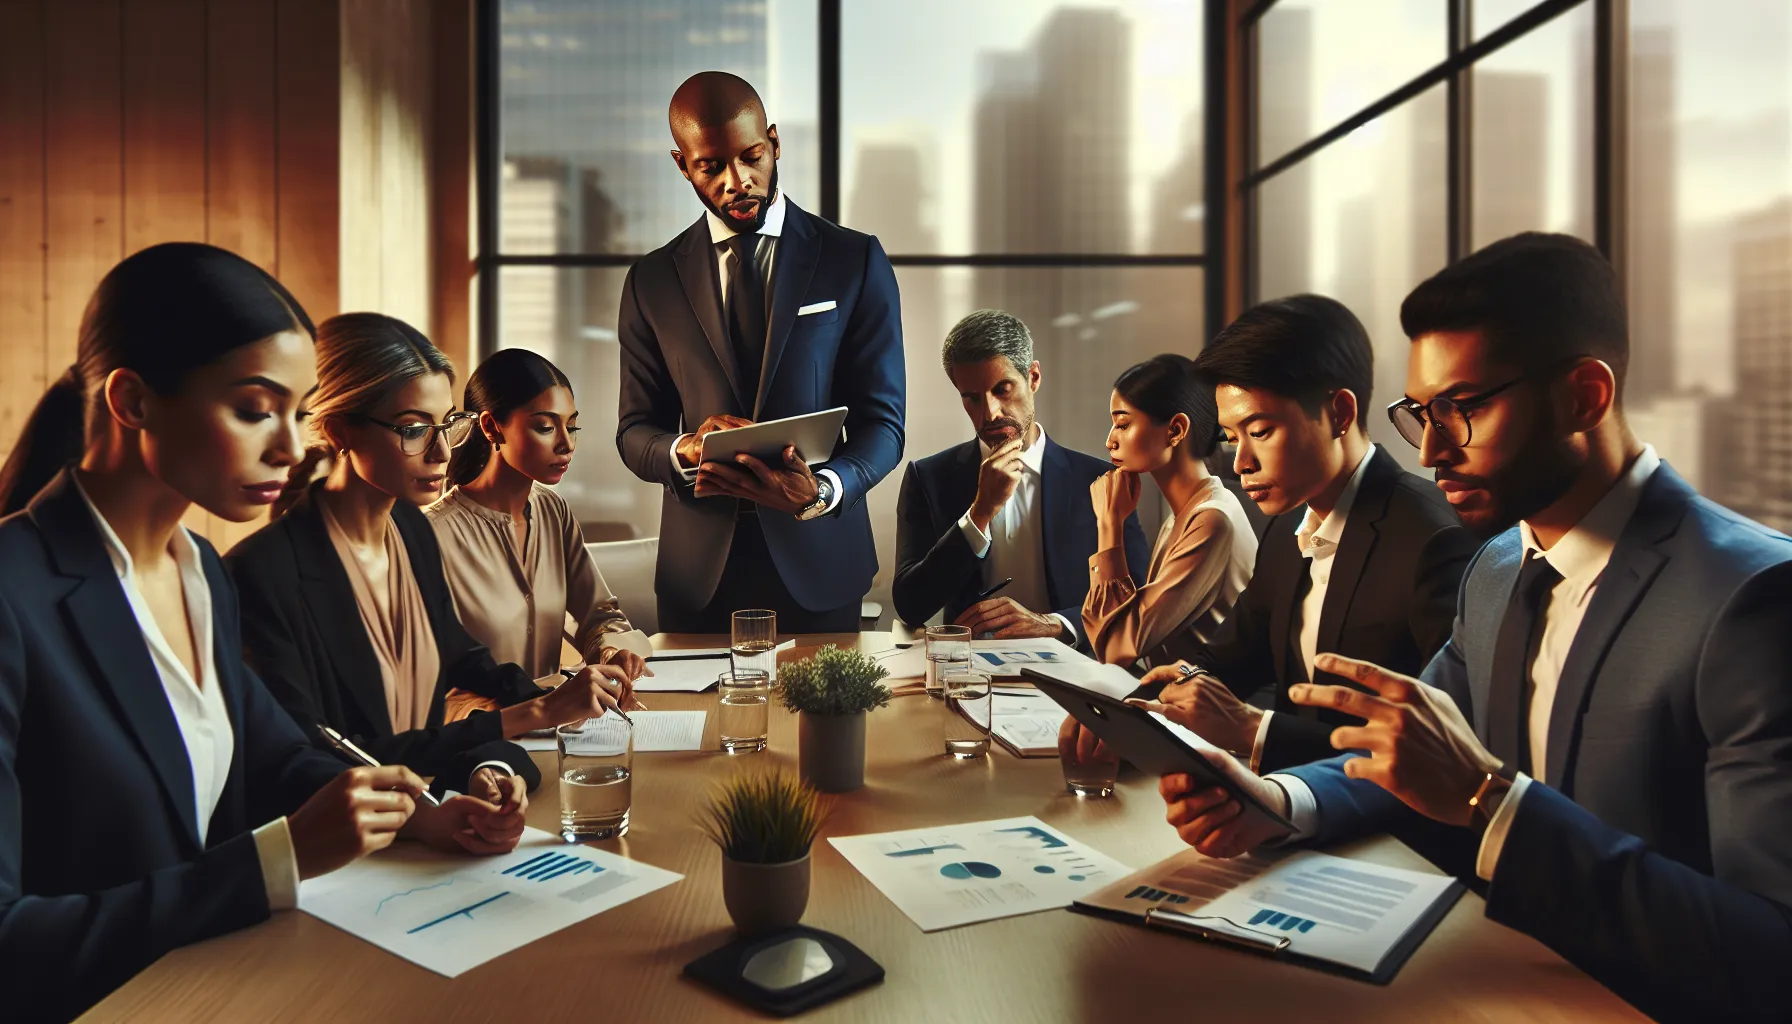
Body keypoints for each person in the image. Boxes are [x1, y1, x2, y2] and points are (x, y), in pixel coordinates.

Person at [1147, 234, 1792, 1023]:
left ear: (1586, 396)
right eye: (1422, 412)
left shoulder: (1756, 600)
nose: (1433, 446)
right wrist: (1274, 801)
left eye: (1466, 407)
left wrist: (1491, 800)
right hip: (1488, 979)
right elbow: (1406, 752)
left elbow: (1772, 953)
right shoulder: (1493, 570)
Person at [0, 243, 525, 1023]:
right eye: (254, 410)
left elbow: (278, 756)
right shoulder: (15, 593)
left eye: (295, 409)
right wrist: (272, 863)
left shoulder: (201, 572)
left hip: (220, 988)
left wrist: (425, 813)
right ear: (133, 400)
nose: (290, 446)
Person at [227, 313, 635, 801]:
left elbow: (463, 661)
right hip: (340, 846)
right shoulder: (261, 573)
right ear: (340, 432)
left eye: (447, 424)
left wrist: (489, 760)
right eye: (414, 428)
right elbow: (321, 759)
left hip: (432, 817)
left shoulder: (409, 530)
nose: (442, 451)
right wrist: (537, 713)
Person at [1110, 296, 1477, 775]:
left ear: (1339, 414)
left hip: (1389, 832)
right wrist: (1126, 717)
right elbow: (1228, 658)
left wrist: (1253, 730)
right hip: (1285, 806)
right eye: (1230, 437)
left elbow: (1445, 747)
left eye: (1260, 431)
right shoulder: (1288, 528)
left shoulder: (1432, 538)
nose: (1240, 464)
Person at [616, 70, 904, 633]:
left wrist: (821, 491)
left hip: (821, 561)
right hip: (697, 578)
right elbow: (633, 431)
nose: (737, 180)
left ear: (774, 142)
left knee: (827, 725)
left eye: (751, 157)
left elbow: (884, 424)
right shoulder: (650, 280)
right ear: (683, 165)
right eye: (711, 166)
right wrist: (684, 449)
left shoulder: (855, 260)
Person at [891, 310, 1148, 644]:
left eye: (1002, 389)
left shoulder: (1100, 479)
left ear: (1034, 378)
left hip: (1071, 673)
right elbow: (911, 605)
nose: (990, 412)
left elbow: (1139, 592)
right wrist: (979, 513)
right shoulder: (927, 478)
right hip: (969, 676)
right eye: (971, 398)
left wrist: (1055, 624)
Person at [429, 349, 653, 706]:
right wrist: (534, 714)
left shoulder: (553, 510)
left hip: (561, 727)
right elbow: (429, 689)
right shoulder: (432, 536)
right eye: (546, 427)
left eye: (572, 425)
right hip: (482, 740)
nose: (566, 444)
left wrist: (612, 652)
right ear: (490, 427)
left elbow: (598, 614)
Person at [1082, 354, 1257, 668]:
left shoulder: (1212, 519)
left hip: (1206, 705)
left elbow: (1117, 648)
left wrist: (1109, 525)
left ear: (1175, 430)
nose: (1110, 440)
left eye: (1122, 423)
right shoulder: (1182, 514)